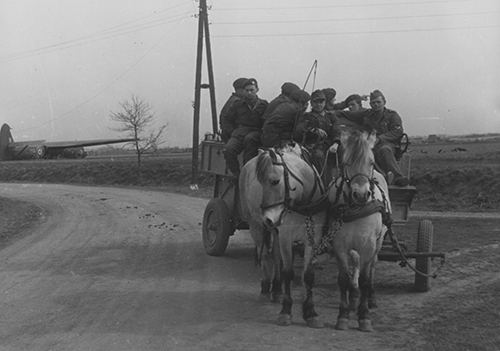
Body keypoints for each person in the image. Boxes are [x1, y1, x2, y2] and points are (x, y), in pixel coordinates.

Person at [336, 90, 409, 186]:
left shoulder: (392, 115)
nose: (376, 105)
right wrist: (331, 113)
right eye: (373, 103)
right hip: (369, 144)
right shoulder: (367, 114)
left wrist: (380, 138)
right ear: (370, 104)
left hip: (388, 144)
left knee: (384, 150)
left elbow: (397, 131)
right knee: (361, 153)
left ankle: (397, 176)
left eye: (378, 102)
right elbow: (347, 114)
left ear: (384, 102)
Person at [221, 78, 269, 176]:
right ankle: (237, 175)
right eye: (247, 90)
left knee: (250, 141)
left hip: (255, 132)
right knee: (228, 150)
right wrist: (232, 132)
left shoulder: (263, 105)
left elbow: (267, 121)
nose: (249, 93)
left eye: (252, 90)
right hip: (240, 133)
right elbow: (227, 120)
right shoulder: (237, 105)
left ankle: (248, 174)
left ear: (257, 90)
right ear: (243, 91)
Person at [293, 89, 334, 172]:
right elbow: (298, 131)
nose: (319, 105)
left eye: (321, 102)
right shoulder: (306, 116)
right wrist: (314, 130)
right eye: (316, 102)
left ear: (325, 103)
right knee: (318, 156)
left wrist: (336, 142)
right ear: (311, 103)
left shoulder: (331, 116)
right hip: (312, 146)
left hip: (330, 145)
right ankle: (322, 182)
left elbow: (336, 130)